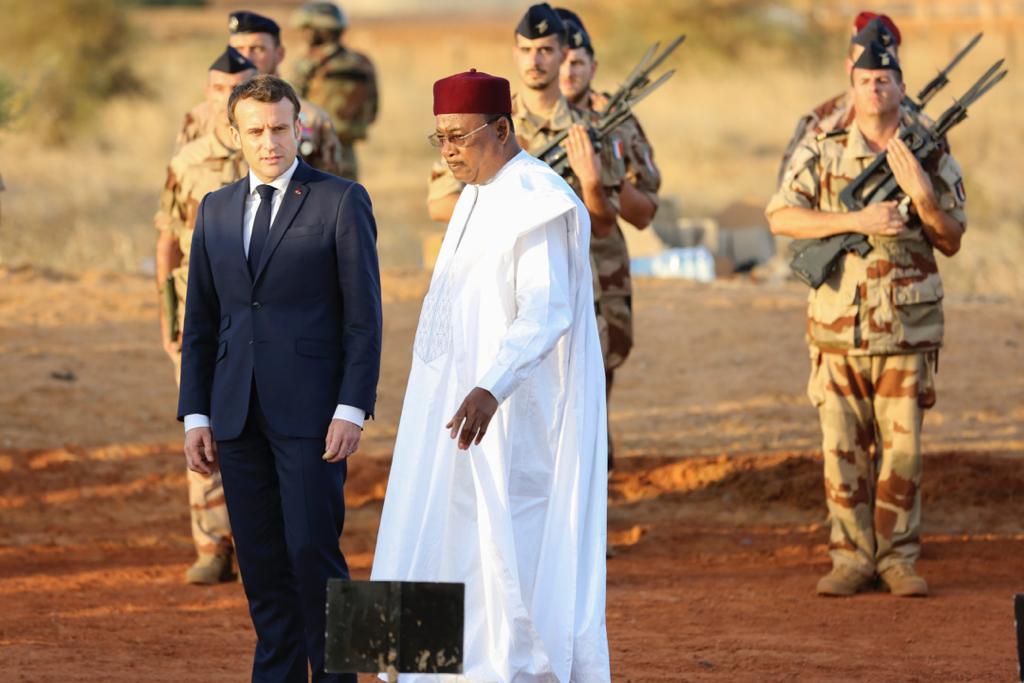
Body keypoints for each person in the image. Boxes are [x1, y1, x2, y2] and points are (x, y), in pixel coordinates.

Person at [371, 69, 610, 682]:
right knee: (434, 530)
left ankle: (511, 672)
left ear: (502, 129)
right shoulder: (475, 195)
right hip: (448, 413)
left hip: (511, 420)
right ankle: (424, 670)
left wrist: (490, 386)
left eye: (460, 136)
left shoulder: (537, 199)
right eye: (440, 138)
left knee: (501, 554)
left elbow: (546, 311)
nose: (448, 151)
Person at [177, 74, 382, 681]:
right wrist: (196, 414)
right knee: (262, 566)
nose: (270, 142)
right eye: (256, 131)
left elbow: (364, 318)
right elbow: (200, 322)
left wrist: (351, 408)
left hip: (314, 416)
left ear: (300, 129)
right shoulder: (215, 209)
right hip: (235, 414)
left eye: (280, 129)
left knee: (315, 555)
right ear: (234, 134)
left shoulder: (341, 200)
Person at [766, 43, 967, 598]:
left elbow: (952, 238)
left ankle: (899, 560)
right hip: (837, 328)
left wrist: (924, 198)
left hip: (906, 328)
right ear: (850, 87)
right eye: (865, 80)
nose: (875, 88)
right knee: (842, 451)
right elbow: (780, 217)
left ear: (901, 86)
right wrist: (857, 220)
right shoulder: (823, 147)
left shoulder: (928, 149)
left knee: (903, 454)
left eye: (885, 79)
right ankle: (850, 559)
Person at [155, 46, 255, 584]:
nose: (226, 98)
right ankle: (212, 546)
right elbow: (167, 239)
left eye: (237, 88)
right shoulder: (188, 161)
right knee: (201, 423)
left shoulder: (275, 150)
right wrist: (167, 317)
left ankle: (258, 541)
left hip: (262, 317)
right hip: (202, 314)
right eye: (218, 89)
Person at [556, 7, 662, 468]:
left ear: (593, 66)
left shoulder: (615, 120)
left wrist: (603, 181)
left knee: (598, 379)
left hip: (602, 269)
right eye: (560, 59)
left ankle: (593, 490)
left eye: (577, 62)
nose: (567, 71)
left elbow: (645, 213)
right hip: (541, 264)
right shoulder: (515, 115)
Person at [175, 11, 347, 178]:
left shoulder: (312, 119)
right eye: (237, 49)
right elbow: (181, 175)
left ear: (279, 54)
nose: (245, 57)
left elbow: (331, 187)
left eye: (257, 49)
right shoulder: (200, 118)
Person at [776, 12, 902, 187]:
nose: (875, 68)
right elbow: (787, 194)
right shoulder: (820, 124)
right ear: (850, 67)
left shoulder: (921, 128)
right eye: (865, 60)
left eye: (884, 60)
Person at [290, 2, 378, 180]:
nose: (303, 34)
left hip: (314, 151)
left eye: (307, 29)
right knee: (348, 195)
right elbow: (373, 108)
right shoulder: (362, 62)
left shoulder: (308, 62)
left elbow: (291, 104)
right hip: (347, 152)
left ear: (321, 31)